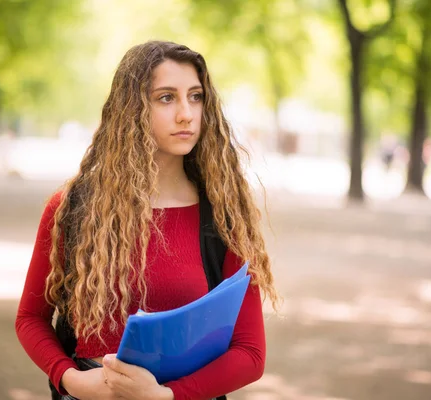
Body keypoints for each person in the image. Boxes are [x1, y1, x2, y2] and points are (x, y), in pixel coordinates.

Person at [15, 40, 280, 400]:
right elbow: (30, 319)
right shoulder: (73, 208)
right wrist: (73, 381)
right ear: (132, 109)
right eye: (166, 97)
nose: (186, 113)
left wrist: (166, 396)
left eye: (196, 96)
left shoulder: (224, 216)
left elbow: (250, 353)